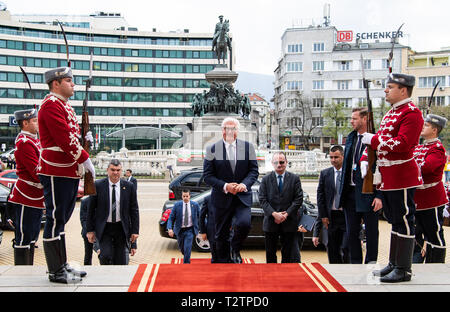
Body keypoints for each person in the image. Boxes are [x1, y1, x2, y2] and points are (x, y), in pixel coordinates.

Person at [361, 73, 423, 283]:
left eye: (390, 87)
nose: (386, 90)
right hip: (388, 176)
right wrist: (367, 158)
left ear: (403, 90)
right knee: (394, 221)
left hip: (402, 176)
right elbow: (381, 141)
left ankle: (404, 269)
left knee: (405, 220)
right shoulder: (391, 113)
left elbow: (403, 143)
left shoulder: (412, 113)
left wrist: (375, 140)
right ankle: (394, 263)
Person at [37, 66, 95, 283]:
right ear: (56, 83)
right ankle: (54, 270)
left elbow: (71, 135)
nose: (73, 84)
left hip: (67, 170)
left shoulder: (64, 106)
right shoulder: (50, 105)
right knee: (54, 219)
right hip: (56, 169)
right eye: (69, 80)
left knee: (61, 220)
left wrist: (83, 138)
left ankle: (61, 264)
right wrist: (83, 156)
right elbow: (63, 138)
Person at [203, 117, 259, 263]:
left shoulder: (248, 147)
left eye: (232, 128)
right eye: (226, 128)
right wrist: (225, 186)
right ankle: (224, 263)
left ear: (237, 131)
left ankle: (235, 248)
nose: (229, 131)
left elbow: (254, 171)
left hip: (242, 196)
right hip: (221, 198)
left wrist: (244, 185)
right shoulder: (212, 149)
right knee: (220, 235)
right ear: (222, 131)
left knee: (244, 224)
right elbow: (207, 176)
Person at [340, 107, 382, 264]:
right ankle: (355, 263)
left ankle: (371, 263)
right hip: (350, 193)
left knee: (371, 233)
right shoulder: (352, 138)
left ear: (365, 119)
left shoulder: (375, 139)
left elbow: (382, 168)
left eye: (355, 118)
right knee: (352, 232)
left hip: (369, 193)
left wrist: (379, 196)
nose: (351, 121)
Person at [8, 108, 44, 265]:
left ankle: (28, 270)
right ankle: (21, 272)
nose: (38, 123)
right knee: (23, 235)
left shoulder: (35, 140)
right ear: (25, 123)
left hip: (35, 195)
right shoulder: (24, 143)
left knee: (33, 236)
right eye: (35, 121)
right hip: (26, 195)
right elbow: (36, 171)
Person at [86, 159, 139, 265]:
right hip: (105, 227)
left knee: (121, 259)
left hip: (121, 227)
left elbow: (134, 210)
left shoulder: (129, 187)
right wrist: (90, 230)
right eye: (113, 170)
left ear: (121, 171)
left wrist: (135, 230)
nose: (115, 172)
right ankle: (106, 278)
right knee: (105, 255)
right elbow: (90, 210)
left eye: (118, 170)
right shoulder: (98, 185)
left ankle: (118, 280)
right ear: (107, 170)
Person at [412, 114, 448, 263]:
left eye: (426, 126)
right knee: (416, 233)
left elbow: (427, 168)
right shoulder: (420, 147)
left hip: (431, 199)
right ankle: (417, 261)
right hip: (418, 199)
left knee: (434, 233)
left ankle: (436, 264)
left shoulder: (437, 149)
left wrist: (408, 168)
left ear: (434, 130)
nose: (422, 127)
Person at [259, 152, 303, 263]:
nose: (279, 165)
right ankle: (270, 276)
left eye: (282, 162)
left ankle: (285, 277)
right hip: (270, 222)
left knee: (288, 254)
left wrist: (286, 214)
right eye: (276, 162)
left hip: (289, 222)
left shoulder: (294, 179)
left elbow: (298, 199)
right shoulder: (265, 179)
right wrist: (274, 214)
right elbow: (262, 200)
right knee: (270, 253)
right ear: (272, 164)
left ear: (286, 163)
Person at [317, 145, 349, 264]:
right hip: (331, 217)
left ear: (343, 156)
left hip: (346, 216)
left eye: (336, 157)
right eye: (331, 157)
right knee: (332, 247)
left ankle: (347, 270)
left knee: (346, 247)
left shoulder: (349, 173)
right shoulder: (325, 174)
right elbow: (320, 196)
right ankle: (335, 271)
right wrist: (323, 216)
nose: (333, 160)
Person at [167, 189, 200, 264]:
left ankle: (186, 265)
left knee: (187, 248)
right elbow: (171, 218)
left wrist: (204, 229)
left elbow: (200, 217)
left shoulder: (195, 205)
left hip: (190, 230)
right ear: (182, 196)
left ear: (189, 196)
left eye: (187, 196)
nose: (185, 198)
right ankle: (186, 257)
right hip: (180, 231)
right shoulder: (177, 205)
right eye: (184, 196)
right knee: (182, 249)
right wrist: (169, 229)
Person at [199, 194, 218, 263]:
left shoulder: (228, 197)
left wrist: (231, 225)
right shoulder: (208, 199)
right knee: (215, 255)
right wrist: (203, 232)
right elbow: (202, 216)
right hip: (212, 231)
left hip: (225, 231)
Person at [79, 196, 93, 265]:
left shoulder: (103, 199)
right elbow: (83, 219)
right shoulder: (85, 201)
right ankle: (87, 268)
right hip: (87, 232)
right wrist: (89, 231)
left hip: (101, 232)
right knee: (88, 254)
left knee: (103, 254)